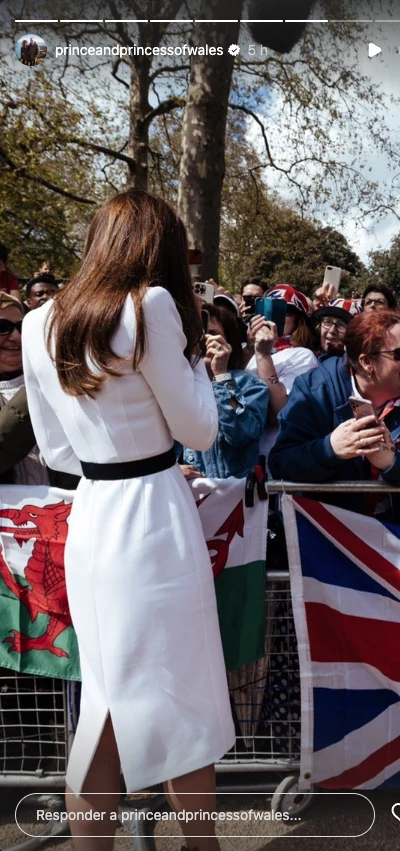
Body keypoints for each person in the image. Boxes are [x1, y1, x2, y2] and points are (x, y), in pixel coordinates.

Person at [22, 190, 235, 851]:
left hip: (90, 516)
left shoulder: (37, 323)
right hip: (153, 518)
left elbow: (56, 450)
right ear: (157, 247)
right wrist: (200, 359)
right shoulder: (153, 306)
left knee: (104, 707)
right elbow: (199, 425)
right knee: (182, 702)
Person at [269, 310, 400, 490]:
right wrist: (329, 449)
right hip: (328, 515)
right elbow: (282, 462)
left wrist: (393, 462)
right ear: (366, 362)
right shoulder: (314, 389)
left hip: (397, 516)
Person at [181, 303, 269, 479]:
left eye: (213, 335)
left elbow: (241, 435)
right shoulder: (177, 384)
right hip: (190, 497)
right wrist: (174, 470)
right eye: (198, 333)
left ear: (229, 343)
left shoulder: (251, 385)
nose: (204, 340)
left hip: (235, 499)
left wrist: (221, 376)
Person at [245, 285, 318, 462]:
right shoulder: (252, 351)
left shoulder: (303, 355)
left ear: (299, 321)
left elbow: (280, 411)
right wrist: (249, 347)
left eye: (286, 311)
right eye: (267, 309)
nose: (275, 318)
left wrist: (263, 355)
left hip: (272, 455)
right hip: (244, 453)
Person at [0, 293, 48, 485]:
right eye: (3, 328)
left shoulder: (61, 383)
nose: (16, 337)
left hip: (63, 508)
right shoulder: (46, 380)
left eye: (22, 327)